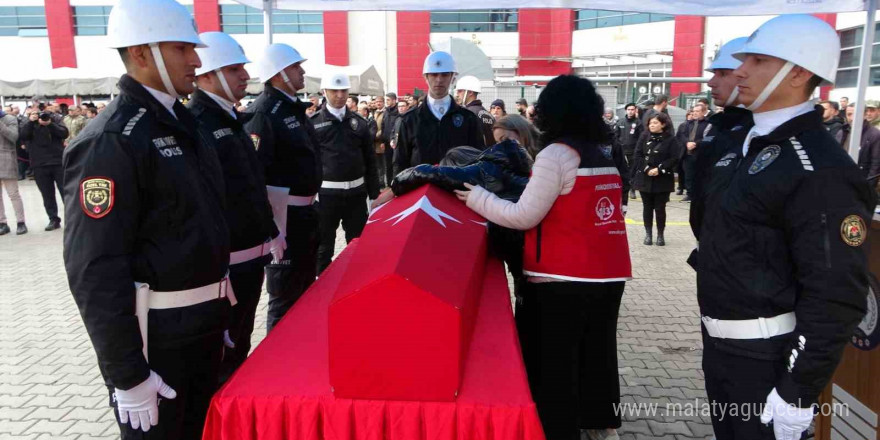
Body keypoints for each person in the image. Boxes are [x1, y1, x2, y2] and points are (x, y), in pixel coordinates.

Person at [692, 15, 874, 440]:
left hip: (769, 357)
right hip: (722, 346)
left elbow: (837, 293)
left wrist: (798, 389)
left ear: (799, 73)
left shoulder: (820, 167)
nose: (740, 71)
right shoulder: (741, 144)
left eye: (757, 60)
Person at [62, 0, 233, 438]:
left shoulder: (183, 122)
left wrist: (218, 315)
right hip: (157, 345)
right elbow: (95, 268)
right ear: (141, 53)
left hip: (202, 329)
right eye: (182, 48)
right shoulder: (113, 140)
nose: (197, 60)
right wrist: (128, 375)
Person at [453, 75, 631, 440]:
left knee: (555, 366)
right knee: (596, 354)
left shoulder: (556, 155)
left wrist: (477, 199)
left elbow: (523, 216)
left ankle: (557, 429)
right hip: (608, 276)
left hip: (560, 279)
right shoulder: (604, 152)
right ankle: (598, 422)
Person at [188, 32, 282, 381]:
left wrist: (271, 231)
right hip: (226, 267)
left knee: (238, 347)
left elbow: (249, 184)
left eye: (242, 67)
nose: (244, 75)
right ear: (207, 75)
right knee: (223, 359)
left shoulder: (229, 117)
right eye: (233, 69)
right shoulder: (199, 122)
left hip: (249, 256)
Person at [245, 43, 321, 332]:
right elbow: (255, 176)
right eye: (294, 66)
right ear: (278, 74)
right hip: (283, 220)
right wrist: (271, 228)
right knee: (284, 297)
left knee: (304, 291)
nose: (301, 71)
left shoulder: (292, 109)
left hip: (305, 216)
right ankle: (277, 366)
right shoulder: (264, 113)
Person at [310, 73, 380, 274]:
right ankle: (321, 293)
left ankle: (353, 286)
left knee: (357, 245)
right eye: (334, 91)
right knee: (323, 248)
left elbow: (369, 160)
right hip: (326, 197)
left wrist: (374, 195)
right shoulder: (313, 123)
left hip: (356, 195)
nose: (340, 95)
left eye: (344, 91)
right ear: (325, 92)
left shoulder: (359, 122)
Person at [393, 51, 485, 174]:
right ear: (425, 77)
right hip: (421, 189)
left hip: (456, 190)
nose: (439, 80)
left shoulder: (468, 119)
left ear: (453, 77)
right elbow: (400, 163)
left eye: (445, 75)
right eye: (434, 74)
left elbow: (478, 160)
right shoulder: (409, 120)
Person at [633, 112, 680, 246]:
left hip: (662, 179)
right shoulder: (644, 136)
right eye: (650, 123)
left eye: (655, 123)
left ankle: (660, 235)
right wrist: (647, 169)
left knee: (660, 208)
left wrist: (659, 169)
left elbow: (674, 157)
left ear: (663, 124)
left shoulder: (671, 139)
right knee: (647, 207)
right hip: (644, 178)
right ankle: (648, 234)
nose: (652, 125)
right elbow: (638, 155)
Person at [20, 107, 68, 231]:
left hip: (57, 162)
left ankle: (71, 219)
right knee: (47, 195)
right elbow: (23, 135)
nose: (41, 117)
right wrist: (31, 121)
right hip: (39, 164)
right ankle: (53, 219)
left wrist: (50, 124)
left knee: (66, 192)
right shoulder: (30, 124)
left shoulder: (55, 119)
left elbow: (64, 133)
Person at [0, 107, 25, 235]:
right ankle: (2, 223)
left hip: (6, 160)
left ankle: (21, 222)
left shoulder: (10, 119)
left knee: (13, 194)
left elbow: (13, 137)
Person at [843, 103, 880, 189]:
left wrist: (868, 187)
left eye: (856, 114)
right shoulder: (842, 132)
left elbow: (876, 164)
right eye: (849, 114)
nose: (852, 118)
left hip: (862, 183)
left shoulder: (874, 134)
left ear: (864, 115)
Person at [678, 102, 710, 201]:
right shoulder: (688, 123)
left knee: (700, 175)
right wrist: (687, 143)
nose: (695, 113)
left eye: (697, 111)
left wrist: (696, 144)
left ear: (703, 112)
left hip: (700, 153)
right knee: (688, 174)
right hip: (687, 153)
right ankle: (689, 194)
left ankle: (700, 193)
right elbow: (682, 135)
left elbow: (708, 137)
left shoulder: (708, 124)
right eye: (694, 111)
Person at [455, 75, 496, 147]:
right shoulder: (489, 115)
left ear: (470, 92)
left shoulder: (467, 114)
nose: (457, 94)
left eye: (460, 91)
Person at [617, 103, 643, 199]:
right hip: (622, 151)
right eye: (628, 109)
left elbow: (641, 138)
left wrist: (638, 150)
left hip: (634, 151)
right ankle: (622, 189)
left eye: (632, 109)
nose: (630, 111)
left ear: (635, 110)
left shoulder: (639, 123)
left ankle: (632, 189)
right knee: (622, 171)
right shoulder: (620, 122)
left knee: (633, 171)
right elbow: (616, 136)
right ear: (626, 110)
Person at [379, 92, 399, 186]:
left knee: (396, 163)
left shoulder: (398, 111)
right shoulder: (386, 111)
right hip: (386, 142)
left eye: (388, 100)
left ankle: (396, 183)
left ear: (394, 100)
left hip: (396, 143)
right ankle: (389, 184)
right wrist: (382, 141)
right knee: (388, 164)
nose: (386, 102)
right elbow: (383, 126)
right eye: (386, 100)